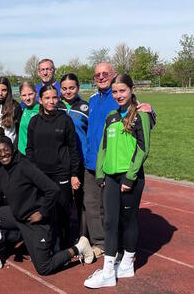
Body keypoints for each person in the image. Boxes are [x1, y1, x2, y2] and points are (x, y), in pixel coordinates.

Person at [0, 133, 94, 273]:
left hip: (34, 221)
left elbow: (53, 189)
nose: (3, 154)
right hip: (16, 216)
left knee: (44, 268)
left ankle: (80, 247)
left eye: (6, 150)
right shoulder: (1, 170)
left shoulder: (25, 166)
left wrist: (42, 212)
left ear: (13, 149)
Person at [84, 74, 151, 288]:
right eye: (114, 91)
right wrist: (102, 174)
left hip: (129, 177)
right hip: (111, 177)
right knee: (110, 222)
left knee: (128, 220)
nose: (118, 95)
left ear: (131, 90)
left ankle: (127, 264)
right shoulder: (112, 116)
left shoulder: (141, 115)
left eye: (122, 90)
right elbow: (103, 146)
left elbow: (143, 148)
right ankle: (108, 271)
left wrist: (130, 178)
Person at [26, 85, 80, 250]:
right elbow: (30, 149)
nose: (51, 101)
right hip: (41, 175)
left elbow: (73, 149)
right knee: (45, 209)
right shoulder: (34, 121)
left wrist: (74, 174)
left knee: (63, 209)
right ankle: (47, 242)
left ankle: (64, 245)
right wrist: (32, 172)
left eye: (54, 97)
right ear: (40, 100)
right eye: (47, 98)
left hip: (61, 173)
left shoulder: (65, 120)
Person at [57, 74, 89, 238]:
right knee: (63, 200)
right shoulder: (56, 105)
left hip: (80, 161)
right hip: (61, 163)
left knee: (81, 200)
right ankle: (64, 235)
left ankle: (83, 236)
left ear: (78, 88)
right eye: (64, 88)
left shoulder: (85, 107)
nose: (68, 91)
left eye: (72, 88)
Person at [17, 81, 40, 155]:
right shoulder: (24, 109)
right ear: (20, 96)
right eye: (24, 95)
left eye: (30, 94)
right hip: (21, 152)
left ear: (36, 93)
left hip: (34, 154)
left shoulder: (41, 110)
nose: (27, 98)